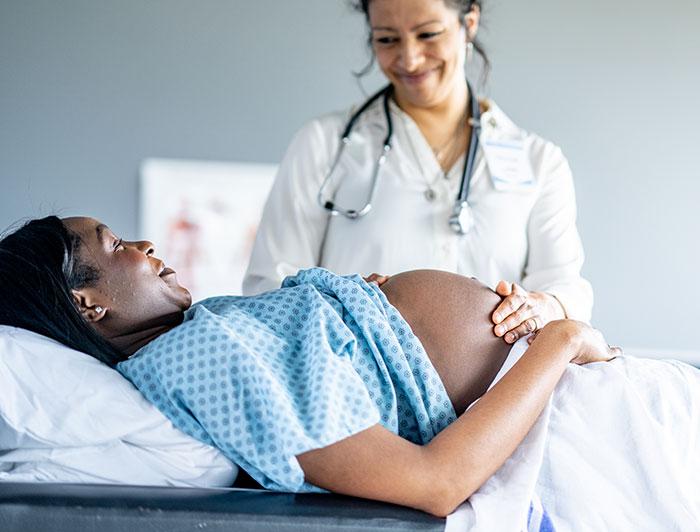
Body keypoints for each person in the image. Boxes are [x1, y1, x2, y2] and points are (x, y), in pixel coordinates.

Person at [0, 215, 613, 517]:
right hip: (558, 401)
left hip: (563, 385)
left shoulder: (206, 325)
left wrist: (345, 307)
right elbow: (435, 484)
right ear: (87, 302)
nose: (144, 247)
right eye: (115, 247)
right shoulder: (196, 358)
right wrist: (559, 340)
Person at [243, 0, 593, 347]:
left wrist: (544, 305)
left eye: (428, 34)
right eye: (386, 39)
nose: (409, 59)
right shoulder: (323, 145)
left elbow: (564, 289)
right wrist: (339, 300)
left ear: (469, 22)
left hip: (496, 395)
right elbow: (269, 288)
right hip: (356, 386)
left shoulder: (540, 161)